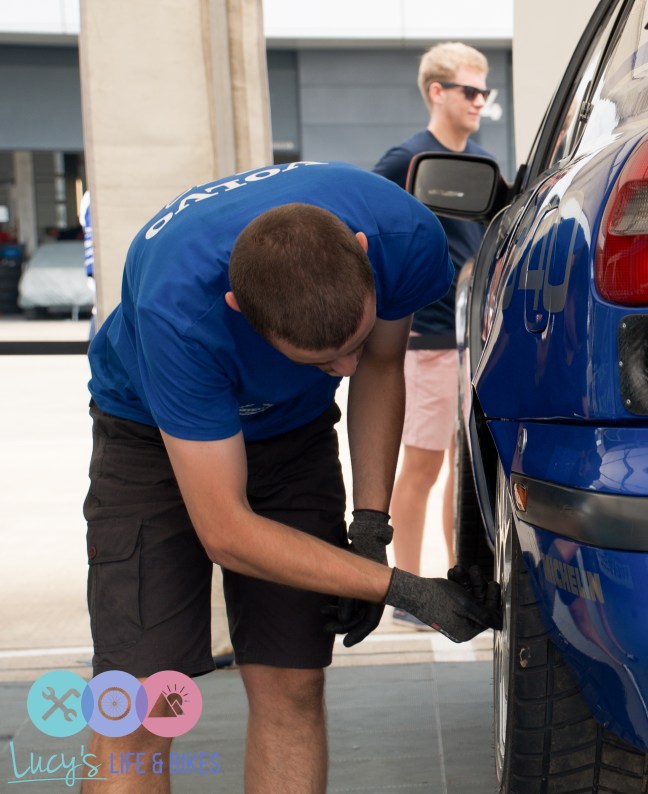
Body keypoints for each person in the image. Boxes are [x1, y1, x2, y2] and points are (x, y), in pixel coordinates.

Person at [83, 160, 499, 793]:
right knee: (140, 700)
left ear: (362, 257)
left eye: (353, 339)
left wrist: (368, 527)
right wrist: (402, 589)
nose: (344, 367)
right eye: (321, 358)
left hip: (291, 436)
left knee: (292, 681)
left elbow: (381, 367)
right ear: (238, 310)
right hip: (153, 435)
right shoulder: (178, 312)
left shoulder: (400, 235)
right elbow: (227, 531)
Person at [372, 42, 493, 627]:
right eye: (469, 91)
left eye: (484, 92)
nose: (479, 102)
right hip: (426, 339)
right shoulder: (407, 161)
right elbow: (363, 228)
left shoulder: (481, 164)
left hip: (470, 339)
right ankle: (407, 594)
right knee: (420, 465)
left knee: (458, 463)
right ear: (436, 92)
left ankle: (452, 582)